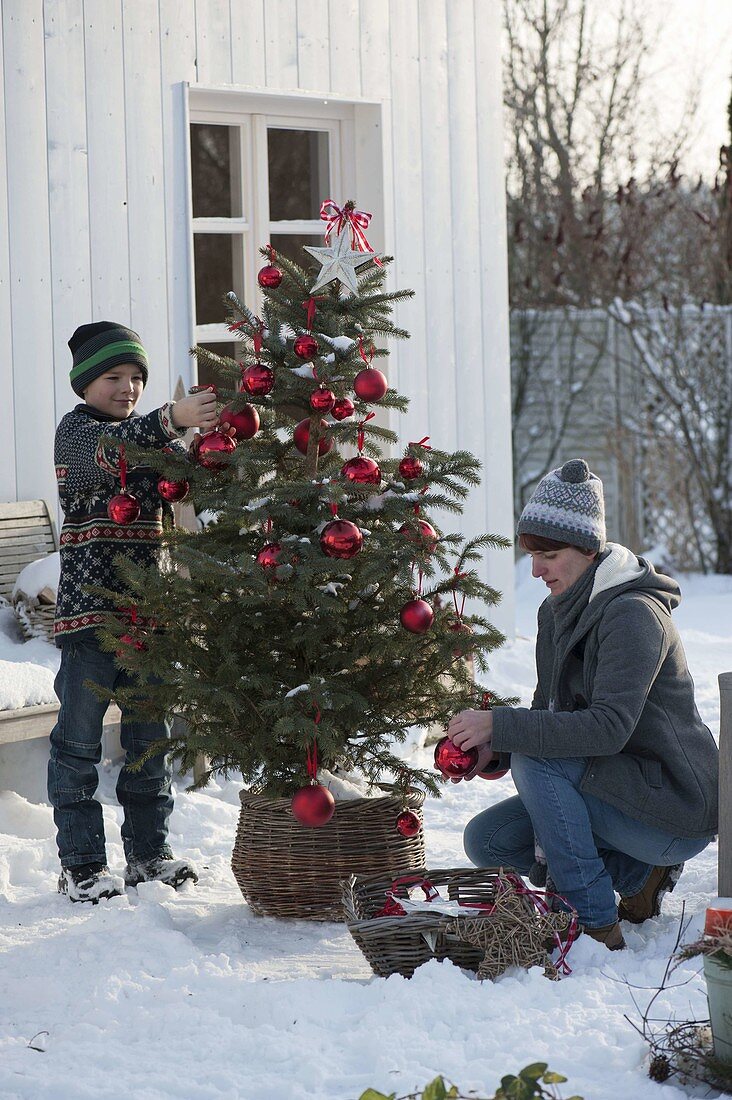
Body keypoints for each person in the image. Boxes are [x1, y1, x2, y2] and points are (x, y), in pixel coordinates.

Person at [449, 458, 718, 950]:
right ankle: (638, 877)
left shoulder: (633, 615)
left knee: (537, 755)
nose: (534, 569)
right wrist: (494, 750)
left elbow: (608, 728)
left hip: (671, 805)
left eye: (547, 554)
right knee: (487, 840)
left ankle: (593, 921)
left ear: (588, 549)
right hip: (610, 788)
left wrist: (505, 730)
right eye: (531, 555)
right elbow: (547, 713)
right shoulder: (556, 613)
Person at [49, 321, 219, 903]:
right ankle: (83, 865)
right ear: (86, 383)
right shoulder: (76, 433)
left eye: (137, 379)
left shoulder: (154, 441)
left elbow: (187, 479)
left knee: (149, 745)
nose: (127, 388)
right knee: (78, 747)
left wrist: (213, 444)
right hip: (91, 623)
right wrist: (172, 419)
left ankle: (148, 855)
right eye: (114, 377)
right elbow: (111, 455)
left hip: (151, 625)